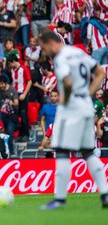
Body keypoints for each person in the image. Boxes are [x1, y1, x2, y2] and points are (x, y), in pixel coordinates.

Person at [39, 31, 108, 209]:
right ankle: (106, 194)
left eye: (44, 48)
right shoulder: (78, 52)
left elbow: (67, 82)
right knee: (88, 152)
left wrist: (66, 98)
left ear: (50, 43)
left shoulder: (61, 58)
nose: (45, 53)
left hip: (70, 109)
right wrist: (88, 93)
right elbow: (100, 72)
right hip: (86, 105)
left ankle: (60, 199)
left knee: (61, 151)